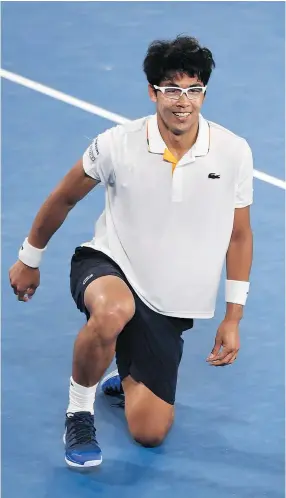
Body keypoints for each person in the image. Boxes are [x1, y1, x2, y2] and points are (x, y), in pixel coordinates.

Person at [9, 35, 253, 468]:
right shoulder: (116, 144)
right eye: (172, 90)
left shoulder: (234, 152)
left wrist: (233, 316)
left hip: (169, 301)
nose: (183, 102)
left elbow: (239, 236)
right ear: (152, 92)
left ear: (204, 93)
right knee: (112, 312)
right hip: (109, 264)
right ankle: (79, 413)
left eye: (193, 89)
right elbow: (64, 197)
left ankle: (126, 373)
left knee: (150, 433)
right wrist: (30, 257)